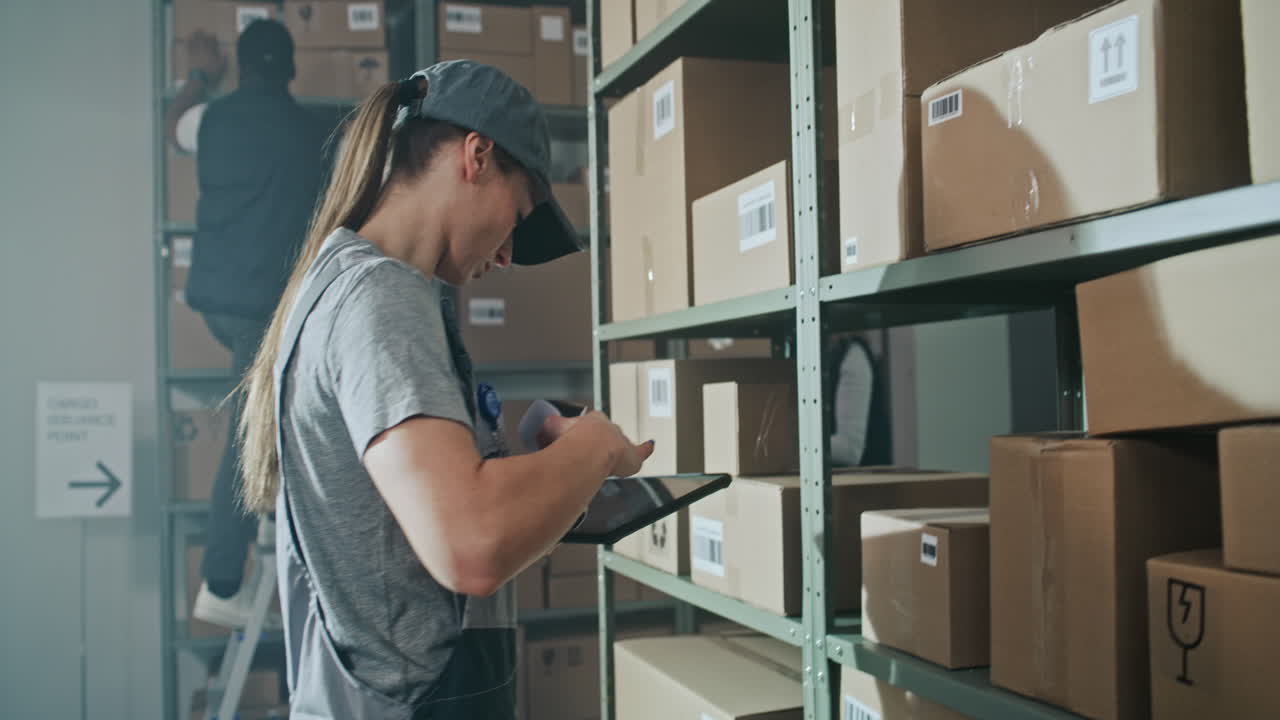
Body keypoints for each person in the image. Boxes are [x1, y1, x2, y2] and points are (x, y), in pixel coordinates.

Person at [234, 61, 654, 718]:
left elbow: (414, 524)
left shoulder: (347, 283)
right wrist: (595, 447)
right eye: (518, 216)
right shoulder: (380, 296)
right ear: (476, 156)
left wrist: (541, 467)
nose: (508, 255)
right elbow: (471, 546)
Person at [165, 20, 325, 627]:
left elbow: (173, 127)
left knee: (263, 418)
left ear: (242, 67)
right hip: (265, 309)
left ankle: (256, 529)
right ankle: (222, 581)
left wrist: (199, 75)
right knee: (248, 433)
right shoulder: (311, 133)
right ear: (291, 70)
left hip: (216, 304)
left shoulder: (213, 119)